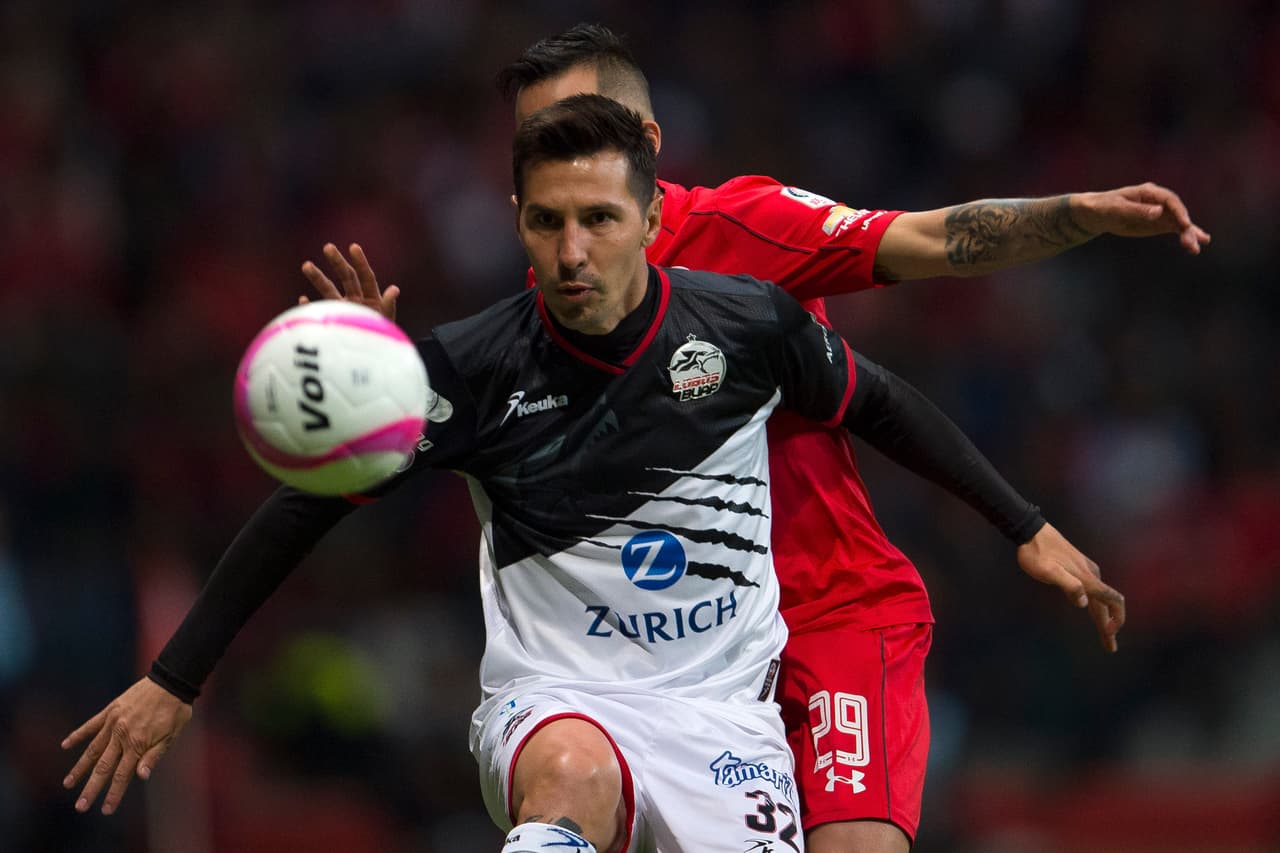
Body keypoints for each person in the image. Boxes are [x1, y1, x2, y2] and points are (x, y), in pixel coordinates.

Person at [62, 95, 1118, 852]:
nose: (572, 250)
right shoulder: (467, 371)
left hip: (722, 718)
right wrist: (174, 679)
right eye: (547, 220)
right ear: (518, 225)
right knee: (569, 781)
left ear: (652, 223)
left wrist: (1022, 525)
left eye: (599, 220)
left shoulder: (747, 327)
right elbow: (309, 507)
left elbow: (881, 404)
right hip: (558, 700)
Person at [486, 23, 1208, 853]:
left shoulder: (742, 229)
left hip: (829, 617)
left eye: (577, 129)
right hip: (664, 661)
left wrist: (1075, 214)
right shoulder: (551, 290)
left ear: (647, 143)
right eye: (536, 141)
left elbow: (928, 240)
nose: (556, 154)